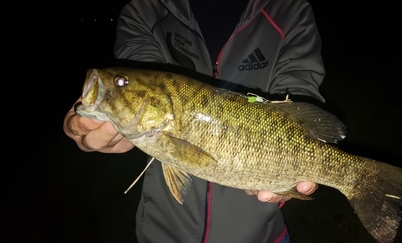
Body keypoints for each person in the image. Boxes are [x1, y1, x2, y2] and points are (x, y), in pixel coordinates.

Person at [64, 0, 325, 242]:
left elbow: (300, 99)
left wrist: (284, 178)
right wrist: (103, 121)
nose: (114, 83)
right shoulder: (144, 10)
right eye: (120, 81)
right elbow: (142, 71)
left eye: (120, 82)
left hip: (259, 235)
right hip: (162, 233)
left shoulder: (289, 10)